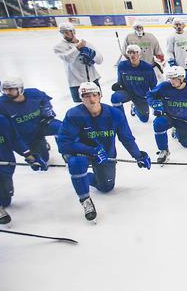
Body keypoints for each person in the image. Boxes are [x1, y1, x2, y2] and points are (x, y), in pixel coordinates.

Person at [57, 82, 150, 221]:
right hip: (81, 152)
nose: (92, 99)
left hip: (106, 154)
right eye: (86, 96)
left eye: (95, 95)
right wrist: (92, 150)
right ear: (81, 98)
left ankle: (83, 177)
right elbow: (64, 144)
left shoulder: (114, 114)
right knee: (76, 163)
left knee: (106, 187)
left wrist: (138, 155)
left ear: (100, 95)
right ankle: (85, 199)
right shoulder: (74, 115)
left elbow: (126, 138)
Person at [0, 112, 47, 224]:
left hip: (4, 161)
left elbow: (15, 139)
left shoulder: (0, 120)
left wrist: (29, 156)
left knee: (5, 200)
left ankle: (0, 200)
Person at [0, 77, 62, 163]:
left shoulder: (34, 93)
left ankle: (67, 152)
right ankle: (41, 144)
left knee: (61, 128)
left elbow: (44, 99)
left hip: (41, 125)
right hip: (26, 136)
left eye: (11, 89)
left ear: (20, 89)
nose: (7, 93)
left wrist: (47, 111)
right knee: (43, 160)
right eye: (5, 90)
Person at [148, 66, 187, 164]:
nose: (171, 81)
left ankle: (177, 130)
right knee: (158, 123)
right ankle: (164, 150)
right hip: (169, 117)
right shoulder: (164, 86)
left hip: (184, 120)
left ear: (181, 78)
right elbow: (150, 95)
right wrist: (154, 104)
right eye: (170, 78)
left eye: (174, 78)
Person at [53, 22, 103, 103]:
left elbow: (100, 60)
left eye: (67, 32)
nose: (65, 35)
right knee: (80, 107)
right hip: (76, 83)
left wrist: (92, 56)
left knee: (97, 103)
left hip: (93, 79)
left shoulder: (86, 43)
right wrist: (78, 48)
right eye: (62, 32)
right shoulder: (58, 47)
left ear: (73, 31)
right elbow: (68, 58)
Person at [111, 45, 157, 124]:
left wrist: (154, 99)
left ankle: (135, 108)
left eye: (135, 53)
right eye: (130, 53)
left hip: (141, 95)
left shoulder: (147, 67)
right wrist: (117, 85)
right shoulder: (122, 65)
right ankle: (120, 119)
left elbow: (153, 85)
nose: (132, 55)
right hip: (127, 92)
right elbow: (120, 82)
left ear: (139, 54)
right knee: (115, 97)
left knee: (144, 119)